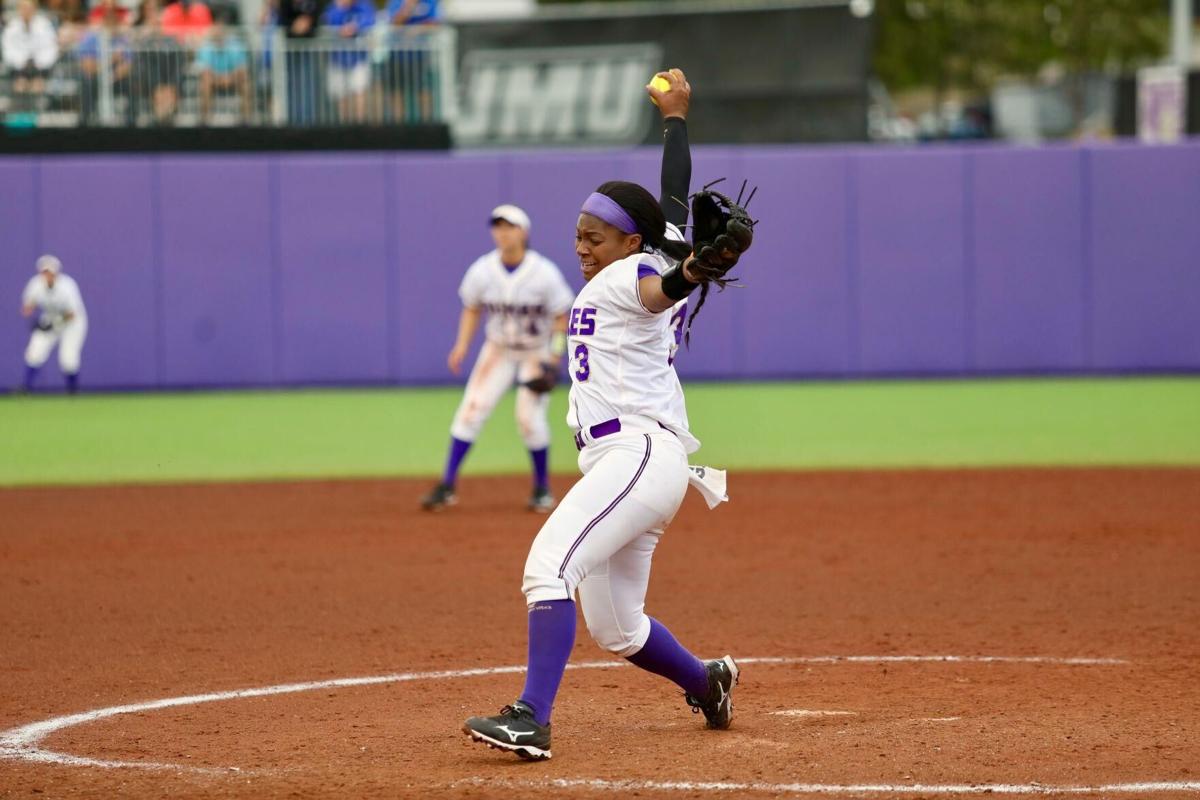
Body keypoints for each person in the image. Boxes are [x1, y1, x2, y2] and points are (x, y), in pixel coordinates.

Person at [462, 68, 752, 760]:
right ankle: (707, 681)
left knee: (547, 567)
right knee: (618, 628)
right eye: (579, 235)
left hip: (637, 455)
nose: (582, 246)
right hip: (634, 463)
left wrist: (694, 271)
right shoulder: (642, 256)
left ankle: (531, 718)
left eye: (596, 236)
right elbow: (674, 201)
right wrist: (675, 119)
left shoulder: (632, 276)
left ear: (629, 243)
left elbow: (662, 287)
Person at [422, 205, 575, 514]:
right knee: (470, 411)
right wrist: (461, 345)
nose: (503, 233)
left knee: (528, 419)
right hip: (498, 349)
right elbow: (472, 307)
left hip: (535, 350)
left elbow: (562, 317)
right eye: (498, 226)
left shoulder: (544, 273)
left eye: (509, 226)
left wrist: (554, 357)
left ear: (524, 232)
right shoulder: (482, 270)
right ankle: (447, 485)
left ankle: (542, 488)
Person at [20, 255, 88, 394]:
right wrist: (34, 317)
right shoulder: (35, 284)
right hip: (50, 318)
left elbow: (72, 314)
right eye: (44, 272)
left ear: (56, 272)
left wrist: (54, 323)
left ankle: (73, 391)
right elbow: (27, 308)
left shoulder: (67, 285)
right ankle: (26, 388)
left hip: (72, 323)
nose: (47, 275)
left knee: (68, 358)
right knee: (34, 351)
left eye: (50, 272)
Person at [76, 2, 134, 125]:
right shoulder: (91, 39)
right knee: (87, 82)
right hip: (95, 77)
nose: (111, 24)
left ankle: (131, 121)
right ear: (103, 21)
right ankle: (85, 121)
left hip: (116, 78)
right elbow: (88, 67)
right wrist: (111, 59)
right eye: (108, 20)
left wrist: (113, 76)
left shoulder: (123, 39)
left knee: (132, 81)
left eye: (114, 21)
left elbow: (128, 65)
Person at [383, 0, 436, 122]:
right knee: (397, 90)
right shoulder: (395, 2)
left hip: (420, 55)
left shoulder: (429, 2)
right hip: (398, 55)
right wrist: (407, 8)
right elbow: (394, 23)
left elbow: (435, 23)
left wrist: (417, 30)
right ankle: (398, 125)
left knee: (423, 90)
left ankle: (427, 123)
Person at [2, 0, 60, 113]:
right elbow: (8, 49)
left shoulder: (44, 25)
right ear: (19, 10)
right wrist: (21, 61)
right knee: (20, 85)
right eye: (23, 8)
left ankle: (35, 114)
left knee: (37, 85)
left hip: (41, 65)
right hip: (18, 66)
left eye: (29, 8)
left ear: (34, 9)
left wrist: (39, 62)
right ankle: (20, 114)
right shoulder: (11, 27)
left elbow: (51, 47)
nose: (26, 11)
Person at [320, 0, 372, 123]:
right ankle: (344, 126)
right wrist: (341, 9)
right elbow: (327, 21)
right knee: (341, 95)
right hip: (337, 59)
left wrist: (355, 27)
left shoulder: (363, 5)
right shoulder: (333, 7)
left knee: (359, 92)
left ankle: (360, 125)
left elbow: (370, 20)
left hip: (358, 59)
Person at [133, 0, 184, 125]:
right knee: (161, 95)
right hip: (151, 83)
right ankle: (161, 123)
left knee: (168, 95)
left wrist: (171, 86)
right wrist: (158, 86)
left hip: (170, 83)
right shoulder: (141, 37)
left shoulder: (171, 40)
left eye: (156, 11)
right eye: (150, 10)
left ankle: (166, 121)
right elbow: (143, 64)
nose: (154, 17)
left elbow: (177, 64)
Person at [194, 13, 250, 123]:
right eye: (217, 28)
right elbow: (204, 70)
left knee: (246, 83)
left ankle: (245, 120)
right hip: (214, 79)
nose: (219, 31)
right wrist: (220, 78)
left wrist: (229, 77)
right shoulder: (206, 47)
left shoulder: (236, 46)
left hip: (232, 78)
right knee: (205, 82)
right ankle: (205, 120)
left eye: (221, 28)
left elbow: (242, 68)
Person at [278, 0, 321, 125]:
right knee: (291, 85)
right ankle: (293, 121)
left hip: (308, 47)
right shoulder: (286, 3)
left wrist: (308, 22)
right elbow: (283, 19)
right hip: (290, 48)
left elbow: (317, 15)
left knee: (308, 85)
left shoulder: (312, 4)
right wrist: (294, 27)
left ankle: (308, 123)